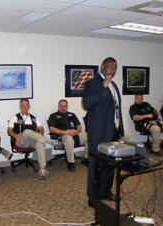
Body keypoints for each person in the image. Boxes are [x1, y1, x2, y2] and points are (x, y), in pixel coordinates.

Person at [83, 57, 123, 208]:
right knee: (95, 163)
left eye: (114, 68)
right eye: (110, 67)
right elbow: (87, 104)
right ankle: (93, 196)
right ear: (102, 67)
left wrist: (120, 128)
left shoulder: (115, 86)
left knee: (110, 163)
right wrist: (103, 87)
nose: (112, 71)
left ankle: (105, 191)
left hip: (112, 129)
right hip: (98, 131)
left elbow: (116, 108)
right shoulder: (93, 83)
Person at [8, 99, 62, 180]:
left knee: (40, 143)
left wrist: (38, 136)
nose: (25, 107)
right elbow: (9, 131)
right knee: (26, 131)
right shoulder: (14, 117)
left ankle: (43, 170)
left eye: (26, 105)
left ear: (29, 107)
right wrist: (16, 136)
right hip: (21, 141)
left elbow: (41, 129)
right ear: (20, 107)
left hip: (33, 141)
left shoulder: (34, 118)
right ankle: (50, 141)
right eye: (23, 105)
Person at [48, 99, 88, 172]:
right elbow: (52, 129)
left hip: (74, 134)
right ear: (58, 107)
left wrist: (76, 131)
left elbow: (79, 126)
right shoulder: (53, 116)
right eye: (61, 106)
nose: (63, 108)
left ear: (67, 107)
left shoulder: (72, 115)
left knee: (88, 136)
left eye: (65, 106)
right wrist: (64, 132)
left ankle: (87, 159)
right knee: (68, 139)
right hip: (62, 136)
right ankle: (71, 163)